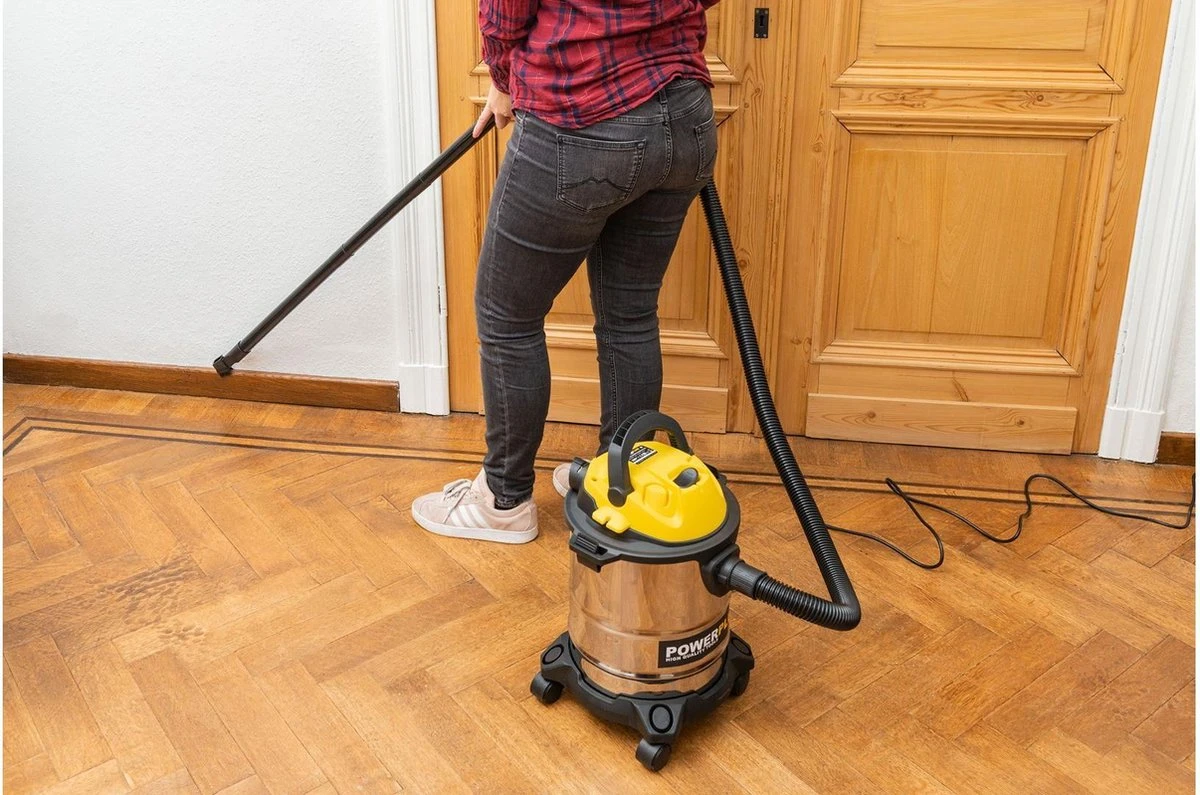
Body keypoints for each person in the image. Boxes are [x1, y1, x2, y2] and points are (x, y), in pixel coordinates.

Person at [412, 0, 721, 544]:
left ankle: (503, 501)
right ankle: (618, 483)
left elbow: (505, 12)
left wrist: (503, 79)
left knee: (507, 317)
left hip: (580, 117)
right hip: (685, 116)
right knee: (630, 314)